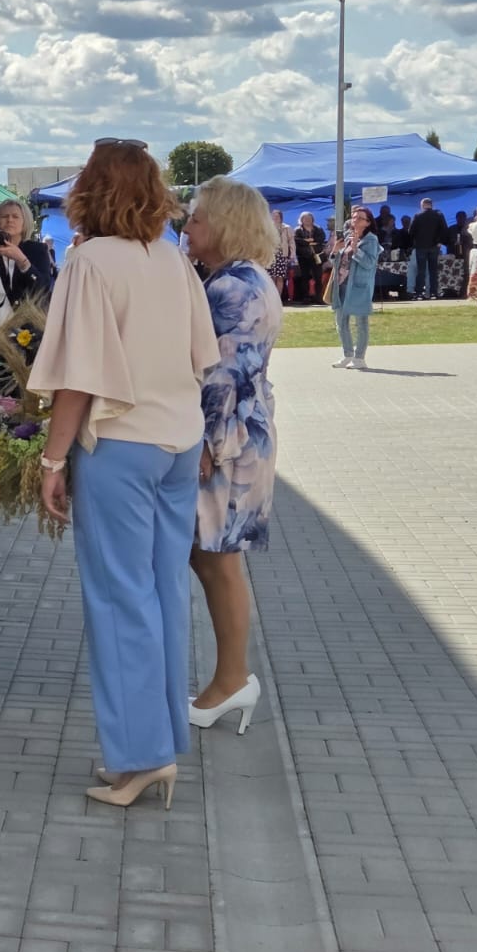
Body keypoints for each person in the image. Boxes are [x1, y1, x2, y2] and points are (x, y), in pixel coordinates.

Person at [28, 137, 218, 810]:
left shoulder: (89, 262)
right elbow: (201, 358)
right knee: (164, 593)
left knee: (119, 600)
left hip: (122, 444)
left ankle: (141, 755)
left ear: (90, 189)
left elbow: (79, 376)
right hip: (178, 440)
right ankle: (156, 744)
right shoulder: (173, 260)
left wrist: (52, 460)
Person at [180, 178, 283, 735]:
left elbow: (223, 376)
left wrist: (206, 443)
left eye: (196, 218)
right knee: (210, 558)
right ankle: (230, 678)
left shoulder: (233, 287)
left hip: (228, 437)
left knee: (217, 560)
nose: (187, 226)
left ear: (224, 224)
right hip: (241, 431)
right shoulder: (241, 278)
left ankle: (233, 680)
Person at [0, 198, 55, 327]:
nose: (10, 220)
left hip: (24, 329)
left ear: (24, 222)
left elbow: (43, 289)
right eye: (4, 216)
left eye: (15, 216)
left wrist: (22, 261)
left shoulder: (37, 250)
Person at [329, 205, 382, 370]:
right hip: (341, 284)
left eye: (360, 218)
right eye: (354, 217)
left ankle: (359, 358)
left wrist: (356, 249)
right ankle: (347, 354)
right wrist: (334, 252)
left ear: (368, 222)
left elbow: (369, 263)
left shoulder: (371, 240)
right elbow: (337, 262)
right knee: (341, 322)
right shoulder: (347, 235)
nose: (355, 220)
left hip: (359, 286)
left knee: (361, 322)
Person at [410, 197, 447, 300]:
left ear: (422, 205)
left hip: (421, 246)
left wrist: (414, 242)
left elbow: (411, 231)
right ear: (432, 205)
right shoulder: (439, 215)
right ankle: (433, 293)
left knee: (421, 271)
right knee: (433, 271)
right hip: (434, 246)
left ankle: (419, 293)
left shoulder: (417, 216)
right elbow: (444, 229)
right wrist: (440, 242)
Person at [292, 211, 326, 304]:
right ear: (301, 220)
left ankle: (319, 297)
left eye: (309, 218)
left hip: (316, 256)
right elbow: (296, 240)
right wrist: (307, 241)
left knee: (318, 277)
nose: (307, 220)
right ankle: (306, 298)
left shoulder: (318, 229)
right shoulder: (298, 230)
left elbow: (321, 238)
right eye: (305, 219)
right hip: (303, 256)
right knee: (305, 277)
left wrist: (311, 240)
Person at [270, 209, 295, 302]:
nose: (275, 218)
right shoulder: (268, 227)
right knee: (271, 277)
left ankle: (278, 298)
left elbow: (291, 242)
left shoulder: (286, 228)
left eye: (277, 216)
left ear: (281, 217)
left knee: (280, 277)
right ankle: (272, 298)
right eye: (274, 216)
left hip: (282, 255)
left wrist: (292, 254)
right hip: (271, 254)